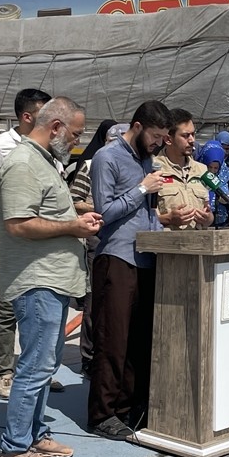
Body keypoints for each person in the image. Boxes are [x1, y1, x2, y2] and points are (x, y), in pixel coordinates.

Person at [0, 97, 100, 457]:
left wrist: (78, 215)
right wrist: (72, 227)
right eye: (75, 134)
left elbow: (45, 212)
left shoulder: (42, 162)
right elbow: (18, 224)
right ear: (55, 126)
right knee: (35, 367)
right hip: (36, 281)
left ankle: (34, 433)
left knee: (45, 364)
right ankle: (14, 448)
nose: (76, 141)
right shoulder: (22, 164)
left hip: (52, 279)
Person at [87, 101, 172, 440]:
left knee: (138, 340)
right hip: (117, 257)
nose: (159, 143)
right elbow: (103, 212)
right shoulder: (107, 158)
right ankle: (102, 414)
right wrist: (141, 189)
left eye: (164, 138)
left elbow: (147, 214)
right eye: (155, 136)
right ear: (137, 127)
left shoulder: (148, 161)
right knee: (113, 340)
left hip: (147, 257)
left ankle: (128, 407)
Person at [0, 88, 50, 401]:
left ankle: (32, 372)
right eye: (44, 114)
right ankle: (4, 373)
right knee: (9, 307)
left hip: (43, 239)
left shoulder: (49, 147)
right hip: (12, 240)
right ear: (26, 116)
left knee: (38, 308)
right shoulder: (1, 146)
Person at [70, 121, 125, 376]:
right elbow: (74, 200)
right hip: (97, 238)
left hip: (122, 240)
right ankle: (88, 356)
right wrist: (98, 208)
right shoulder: (91, 165)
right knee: (94, 299)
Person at [152, 108, 214, 230]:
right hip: (168, 246)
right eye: (185, 136)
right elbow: (142, 217)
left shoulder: (201, 170)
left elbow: (209, 213)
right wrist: (168, 218)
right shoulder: (153, 169)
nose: (192, 140)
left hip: (199, 244)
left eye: (193, 134)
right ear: (168, 139)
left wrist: (208, 218)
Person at [196, 140, 229, 229]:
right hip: (199, 225)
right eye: (209, 167)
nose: (212, 171)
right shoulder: (195, 174)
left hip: (222, 226)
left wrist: (227, 201)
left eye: (216, 168)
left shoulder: (228, 176)